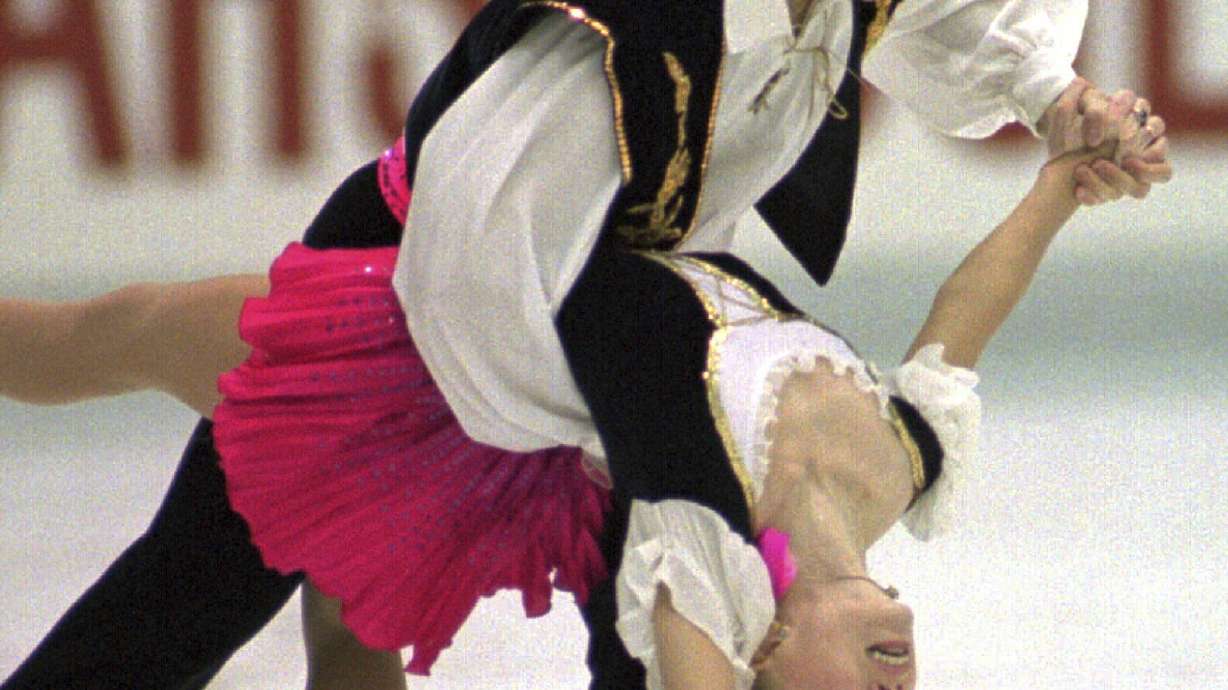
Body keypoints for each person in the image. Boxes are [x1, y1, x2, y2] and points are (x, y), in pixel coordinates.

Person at [1, 0, 1173, 688]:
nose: (898, 681)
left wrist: (1052, 99)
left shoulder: (693, 534)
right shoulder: (887, 470)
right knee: (175, 500)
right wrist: (1061, 152)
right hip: (432, 308)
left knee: (275, 596)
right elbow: (477, 237)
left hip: (505, 369)